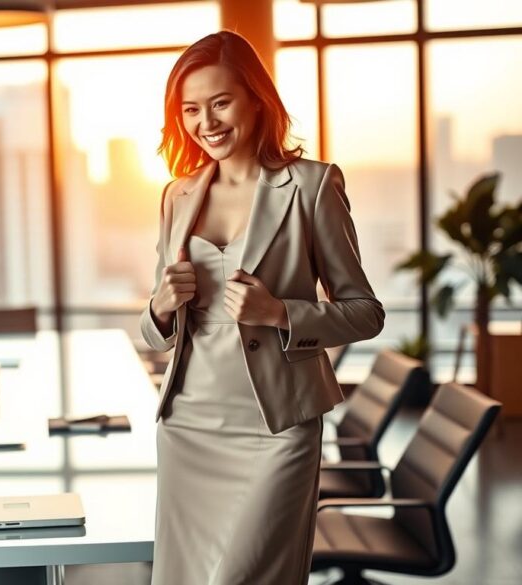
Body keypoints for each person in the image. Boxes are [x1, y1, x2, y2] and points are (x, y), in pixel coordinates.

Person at [139, 30, 385, 584]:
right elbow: (156, 329)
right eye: (190, 109)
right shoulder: (177, 195)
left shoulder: (312, 186)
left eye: (221, 102)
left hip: (278, 426)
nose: (206, 122)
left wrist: (280, 313)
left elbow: (366, 311)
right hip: (189, 424)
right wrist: (160, 306)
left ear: (256, 99)